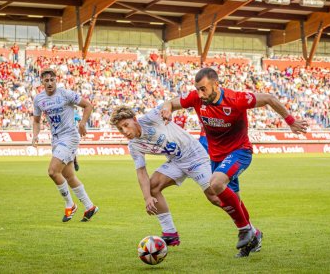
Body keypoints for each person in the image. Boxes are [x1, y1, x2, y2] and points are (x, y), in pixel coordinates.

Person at [161, 67, 308, 257]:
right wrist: (167, 107)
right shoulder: (196, 98)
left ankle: (244, 229)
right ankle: (254, 236)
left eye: (203, 89)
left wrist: (290, 121)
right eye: (197, 89)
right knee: (234, 202)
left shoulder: (237, 99)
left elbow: (269, 98)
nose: (199, 93)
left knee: (215, 183)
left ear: (215, 84)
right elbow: (172, 102)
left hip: (240, 152)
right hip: (217, 157)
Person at [110, 105, 221, 247]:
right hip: (176, 160)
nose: (124, 131)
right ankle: (170, 234)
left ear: (134, 119)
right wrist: (147, 198)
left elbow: (172, 102)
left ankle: (247, 227)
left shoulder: (151, 118)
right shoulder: (134, 146)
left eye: (126, 125)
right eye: (120, 129)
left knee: (214, 197)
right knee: (152, 187)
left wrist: (169, 108)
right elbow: (141, 171)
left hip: (194, 155)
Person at [32, 68, 99, 222]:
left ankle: (70, 204)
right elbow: (36, 120)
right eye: (46, 80)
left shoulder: (66, 94)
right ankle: (90, 207)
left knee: (53, 171)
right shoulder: (39, 99)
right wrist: (35, 135)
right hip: (56, 139)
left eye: (52, 80)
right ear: (42, 82)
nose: (49, 83)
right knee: (69, 176)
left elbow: (88, 105)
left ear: (56, 80)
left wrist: (82, 123)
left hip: (69, 137)